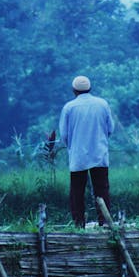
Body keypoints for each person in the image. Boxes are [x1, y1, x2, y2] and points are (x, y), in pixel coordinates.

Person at [59, 75, 115, 228]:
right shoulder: (102, 104)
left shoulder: (69, 107)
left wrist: (72, 146)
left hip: (78, 155)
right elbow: (110, 129)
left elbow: (64, 135)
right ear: (90, 88)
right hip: (99, 153)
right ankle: (104, 222)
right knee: (102, 189)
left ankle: (79, 224)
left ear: (74, 90)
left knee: (77, 191)